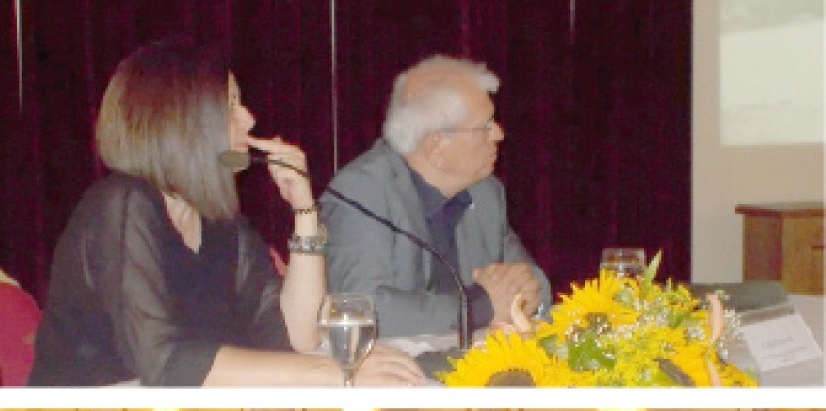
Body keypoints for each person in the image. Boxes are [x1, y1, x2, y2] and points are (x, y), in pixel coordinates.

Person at [28, 38, 423, 388]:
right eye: (231, 105)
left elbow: (296, 337)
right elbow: (164, 362)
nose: (249, 119)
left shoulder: (221, 223)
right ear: (181, 120)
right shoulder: (122, 205)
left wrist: (305, 212)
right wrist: (337, 372)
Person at [322, 55, 551, 339]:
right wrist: (476, 308)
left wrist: (522, 294)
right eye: (485, 126)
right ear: (436, 146)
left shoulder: (485, 192)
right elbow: (363, 308)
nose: (499, 134)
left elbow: (532, 279)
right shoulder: (360, 194)